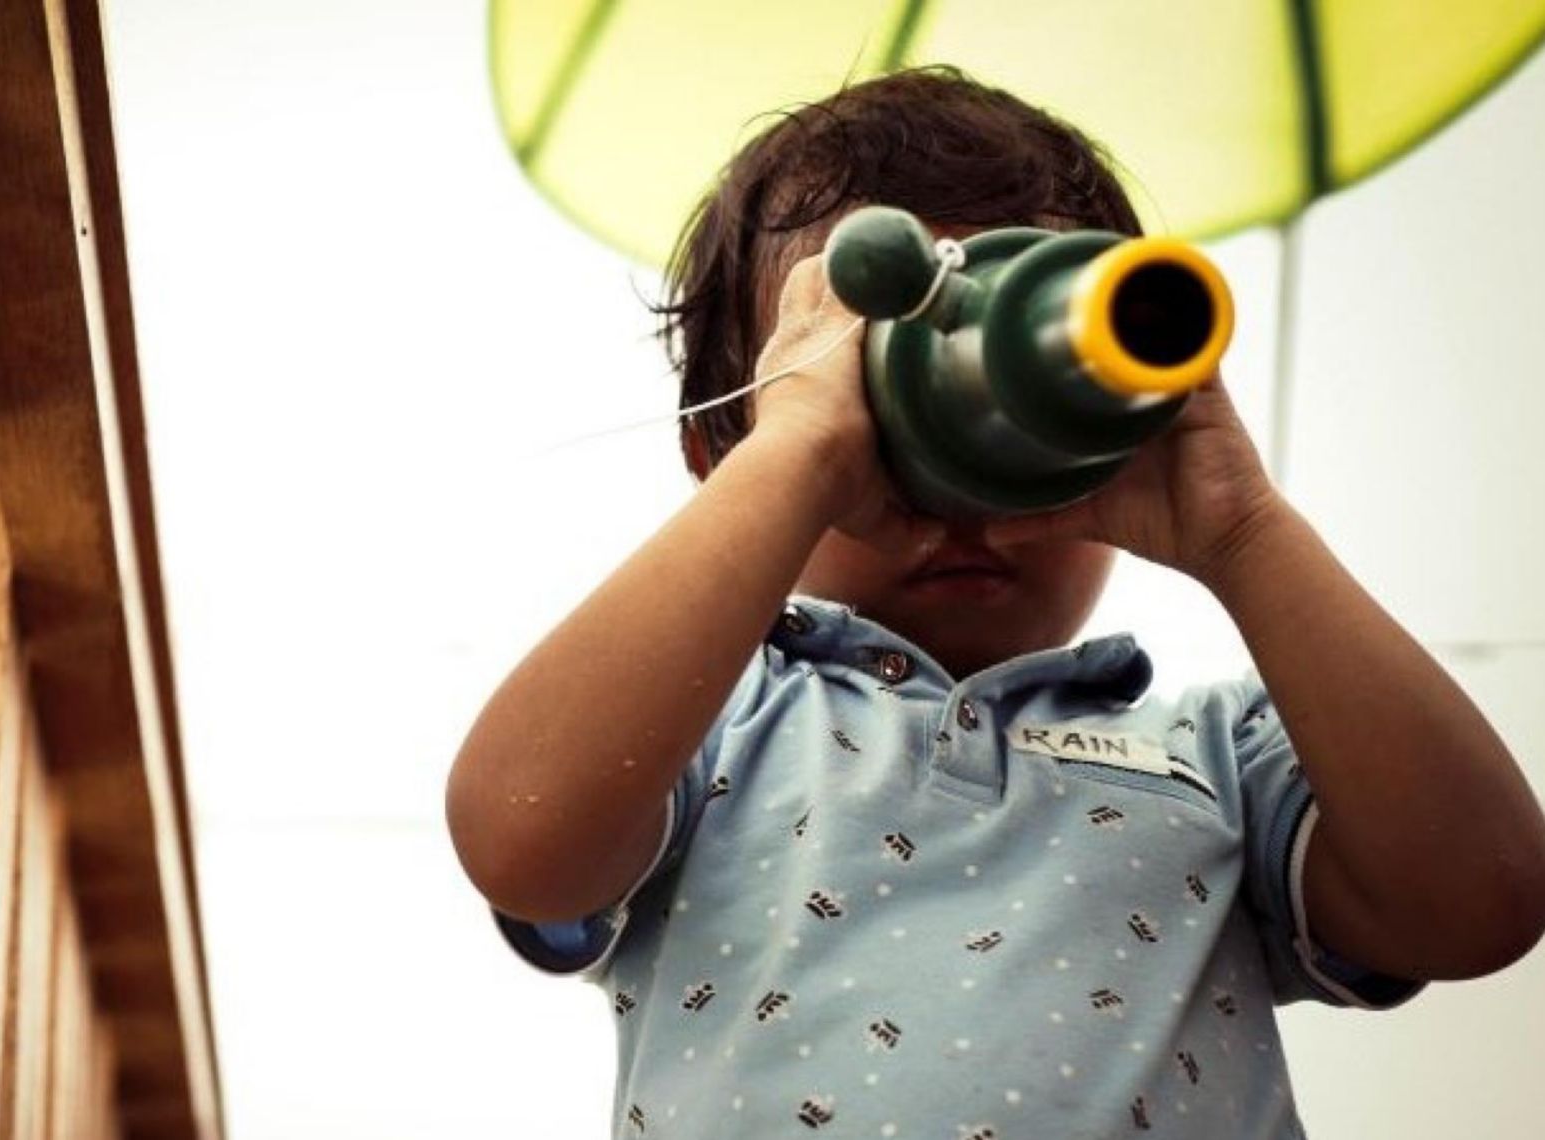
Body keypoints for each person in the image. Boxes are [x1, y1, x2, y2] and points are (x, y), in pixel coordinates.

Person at [445, 67, 1545, 1138]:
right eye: (882, 409)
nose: (961, 491)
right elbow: (521, 832)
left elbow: (1480, 900)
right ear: (722, 456)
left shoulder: (1224, 757)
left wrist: (1242, 531)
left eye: (1020, 415)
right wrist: (802, 454)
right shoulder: (700, 728)